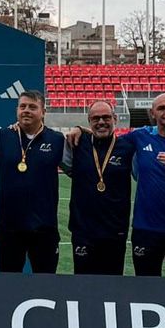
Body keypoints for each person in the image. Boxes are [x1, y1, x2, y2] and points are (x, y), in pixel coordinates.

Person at [73, 93, 165, 277]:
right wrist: (80, 129)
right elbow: (105, 133)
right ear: (153, 113)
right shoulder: (140, 136)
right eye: (161, 108)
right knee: (145, 289)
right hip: (145, 229)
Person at [0, 90, 66, 274]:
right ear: (17, 110)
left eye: (33, 107)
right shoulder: (1, 135)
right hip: (10, 229)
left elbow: (77, 165)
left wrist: (82, 130)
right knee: (9, 286)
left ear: (43, 112)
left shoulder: (57, 140)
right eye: (22, 106)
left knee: (47, 285)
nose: (26, 110)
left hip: (44, 229)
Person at [63, 101, 136, 275]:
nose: (101, 122)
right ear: (89, 121)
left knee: (112, 284)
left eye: (106, 117)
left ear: (115, 119)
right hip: (83, 230)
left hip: (115, 230)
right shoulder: (78, 143)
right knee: (82, 283)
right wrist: (79, 129)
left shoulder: (127, 147)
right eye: (96, 118)